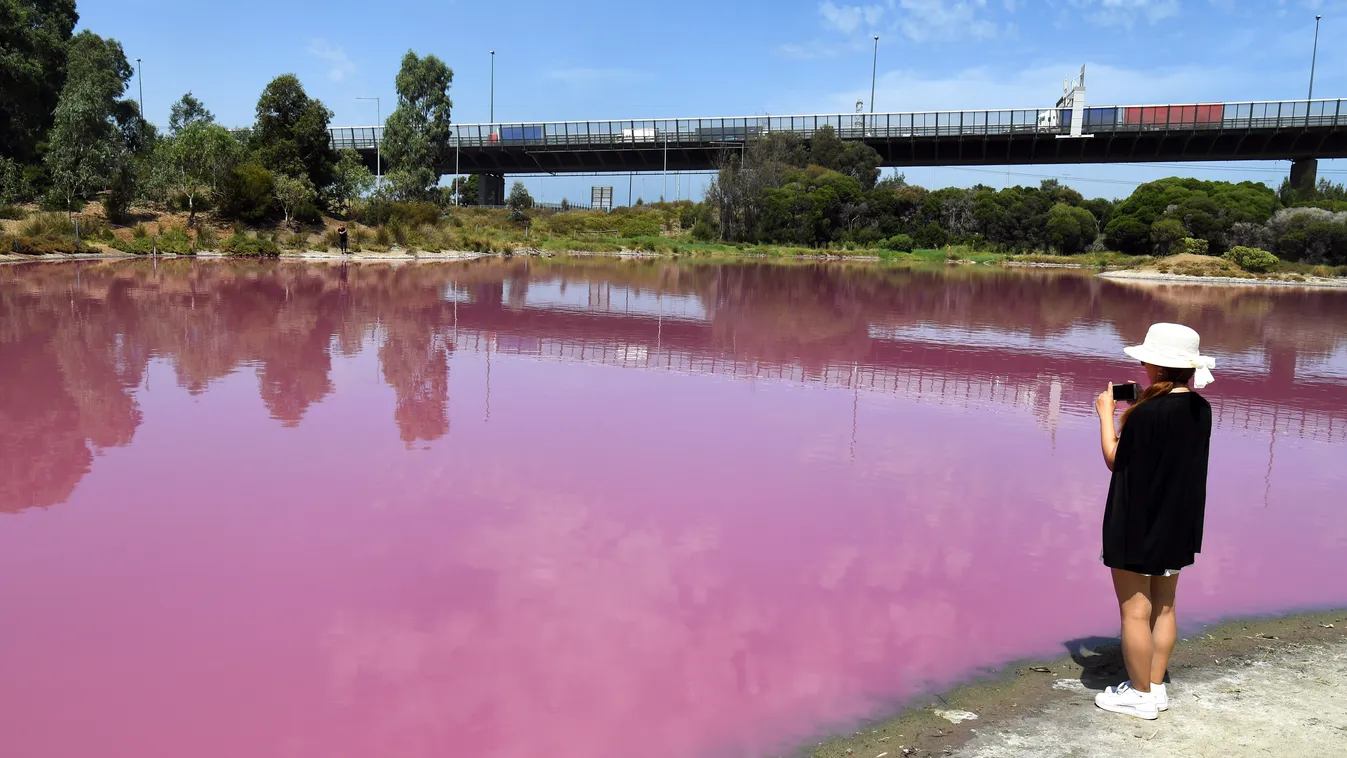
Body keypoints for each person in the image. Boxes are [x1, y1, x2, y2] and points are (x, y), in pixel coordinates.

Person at [1092, 323, 1215, 721]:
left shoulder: (1147, 412)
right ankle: (1155, 686)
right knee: (1165, 606)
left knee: (1134, 612)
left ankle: (1140, 696)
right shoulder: (1200, 407)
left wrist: (1106, 416)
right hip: (1179, 523)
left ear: (1157, 366)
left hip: (1138, 522)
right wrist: (1142, 405)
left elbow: (1116, 460)